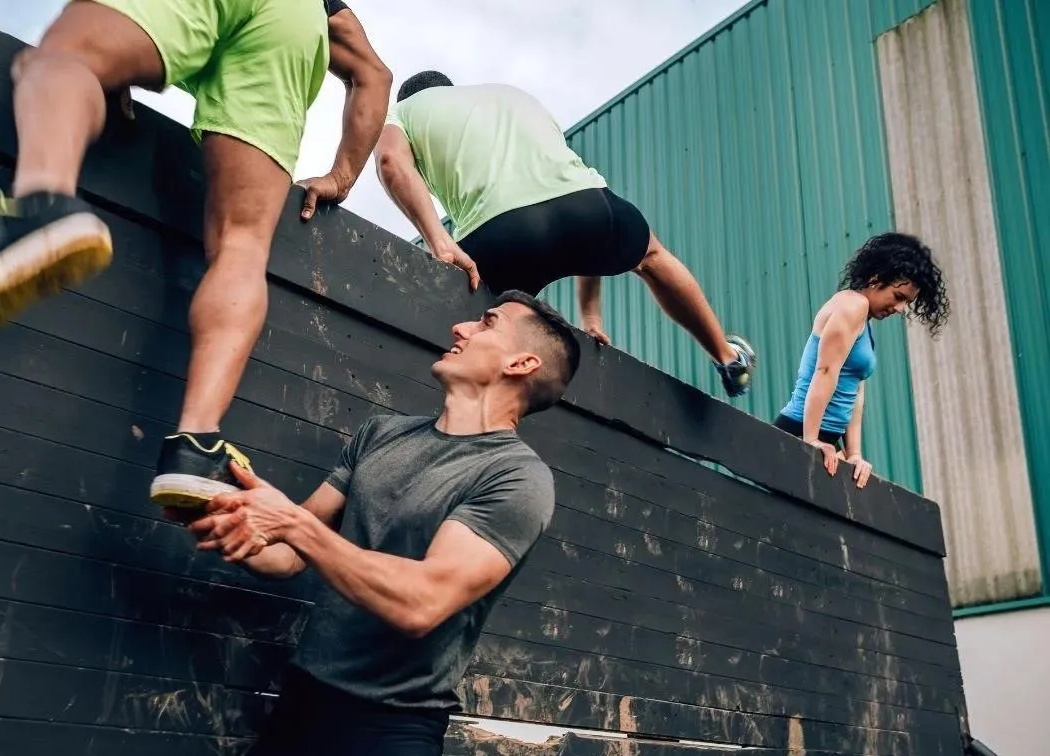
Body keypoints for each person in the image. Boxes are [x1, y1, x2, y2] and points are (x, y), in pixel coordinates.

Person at [0, 0, 393, 510]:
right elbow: (374, 74)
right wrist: (340, 176)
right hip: (293, 22)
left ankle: (42, 201)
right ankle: (197, 445)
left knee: (67, 57)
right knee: (242, 246)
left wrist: (112, 70)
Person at [185, 290, 579, 756]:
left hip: (388, 735)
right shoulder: (381, 434)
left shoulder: (517, 478)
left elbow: (421, 603)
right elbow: (289, 557)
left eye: (486, 323)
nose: (461, 327)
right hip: (298, 714)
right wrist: (220, 513)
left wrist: (295, 525)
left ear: (521, 363)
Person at [369, 70, 756, 398]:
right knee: (651, 257)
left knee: (482, 329)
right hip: (587, 209)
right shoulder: (509, 95)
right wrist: (591, 318)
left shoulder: (403, 111)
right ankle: (726, 357)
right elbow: (561, 201)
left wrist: (439, 239)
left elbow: (390, 161)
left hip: (499, 234)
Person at [775, 232, 949, 488]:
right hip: (799, 431)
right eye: (898, 297)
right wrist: (810, 439)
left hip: (825, 440)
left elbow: (855, 392)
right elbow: (824, 371)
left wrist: (854, 453)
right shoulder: (851, 307)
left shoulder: (864, 322)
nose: (900, 309)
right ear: (876, 279)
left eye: (907, 303)